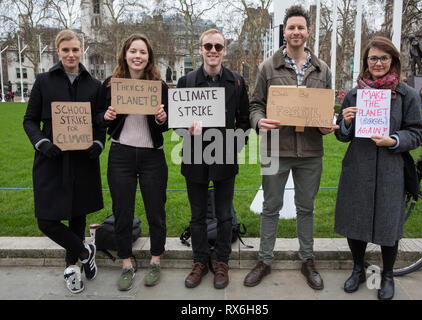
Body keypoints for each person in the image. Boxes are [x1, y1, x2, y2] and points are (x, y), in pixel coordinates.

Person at [245, 5, 338, 291]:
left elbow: (325, 108)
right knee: (271, 207)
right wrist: (260, 121)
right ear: (283, 32)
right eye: (291, 27)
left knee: (306, 207)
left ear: (308, 32)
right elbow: (255, 105)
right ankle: (264, 259)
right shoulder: (267, 67)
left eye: (301, 27)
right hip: (276, 148)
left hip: (310, 152)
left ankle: (307, 260)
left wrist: (327, 124)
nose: (296, 32)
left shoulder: (323, 70)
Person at [334, 36, 422, 300]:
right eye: (373, 58)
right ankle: (358, 269)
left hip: (390, 170)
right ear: (366, 62)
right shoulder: (354, 94)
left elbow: (416, 133)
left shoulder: (407, 95)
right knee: (355, 221)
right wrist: (346, 123)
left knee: (388, 224)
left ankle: (386, 276)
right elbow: (342, 135)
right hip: (358, 168)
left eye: (384, 58)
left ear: (393, 61)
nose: (378, 63)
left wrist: (394, 140)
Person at [23, 29, 105, 294]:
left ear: (82, 51)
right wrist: (42, 142)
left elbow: (100, 122)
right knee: (46, 220)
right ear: (57, 51)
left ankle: (73, 271)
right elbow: (29, 120)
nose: (71, 55)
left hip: (82, 159)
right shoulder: (44, 81)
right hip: (52, 157)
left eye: (75, 50)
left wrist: (98, 144)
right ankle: (84, 251)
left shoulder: (94, 85)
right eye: (66, 50)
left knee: (77, 214)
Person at [176, 28, 250, 289]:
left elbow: (243, 121)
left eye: (218, 47)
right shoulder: (186, 82)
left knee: (223, 215)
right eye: (208, 46)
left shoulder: (237, 81)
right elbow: (177, 124)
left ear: (224, 51)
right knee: (197, 215)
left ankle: (222, 262)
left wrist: (234, 146)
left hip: (224, 154)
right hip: (195, 155)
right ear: (200, 49)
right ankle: (199, 261)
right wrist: (188, 131)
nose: (213, 51)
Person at [99, 33, 169, 291]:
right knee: (122, 211)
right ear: (125, 54)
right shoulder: (111, 84)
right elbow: (98, 116)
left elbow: (169, 123)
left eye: (142, 52)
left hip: (152, 155)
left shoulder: (159, 86)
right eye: (133, 51)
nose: (138, 56)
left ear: (149, 57)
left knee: (156, 210)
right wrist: (106, 116)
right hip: (121, 155)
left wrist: (162, 118)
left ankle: (155, 259)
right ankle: (126, 263)